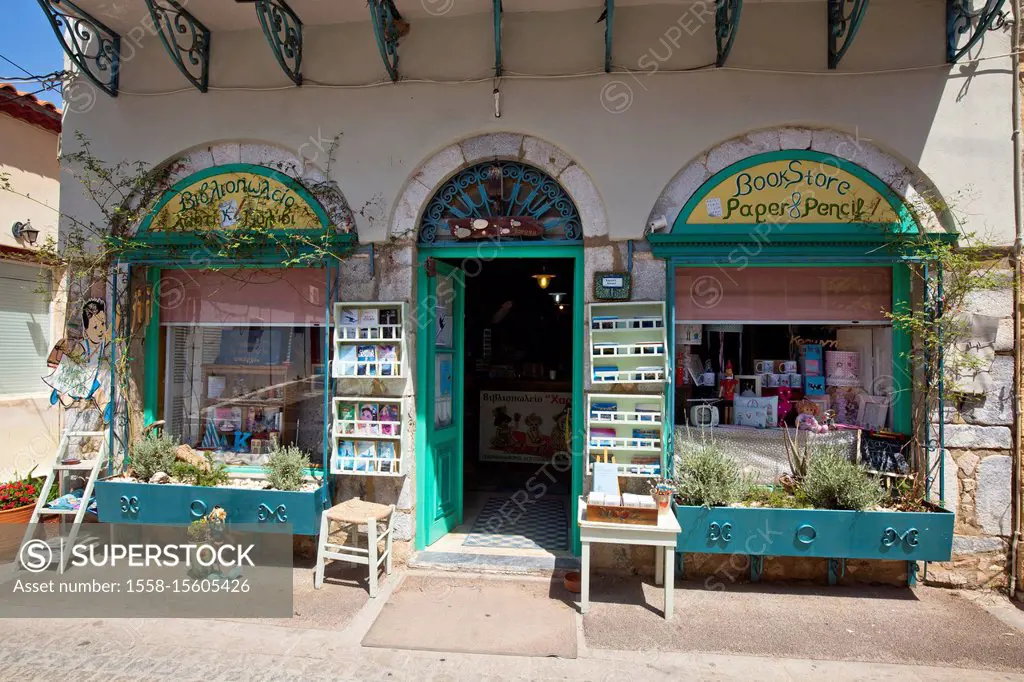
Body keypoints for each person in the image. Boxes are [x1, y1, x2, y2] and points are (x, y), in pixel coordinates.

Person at [43, 298, 111, 422]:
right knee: (87, 381)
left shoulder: (102, 342)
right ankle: (59, 388)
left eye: (102, 324)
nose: (100, 329)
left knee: (103, 381)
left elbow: (112, 330)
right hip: (82, 380)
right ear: (86, 329)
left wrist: (117, 314)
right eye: (95, 327)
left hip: (93, 380)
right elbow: (71, 364)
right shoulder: (83, 346)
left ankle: (106, 407)